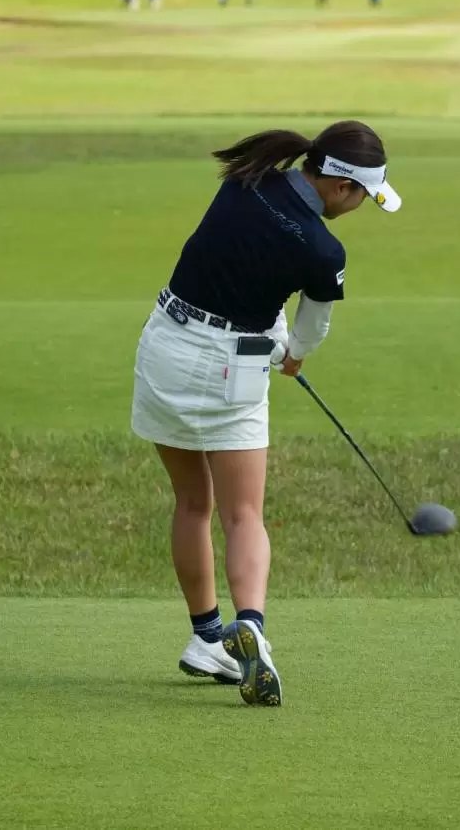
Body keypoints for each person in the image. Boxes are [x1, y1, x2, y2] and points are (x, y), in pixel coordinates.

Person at [131, 122, 401, 707]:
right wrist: (293, 356)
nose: (360, 207)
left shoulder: (246, 179)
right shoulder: (323, 250)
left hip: (167, 346)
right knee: (243, 514)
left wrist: (274, 330)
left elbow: (238, 265)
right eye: (364, 197)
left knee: (192, 503)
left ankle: (207, 638)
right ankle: (249, 623)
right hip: (232, 369)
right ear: (343, 187)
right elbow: (311, 330)